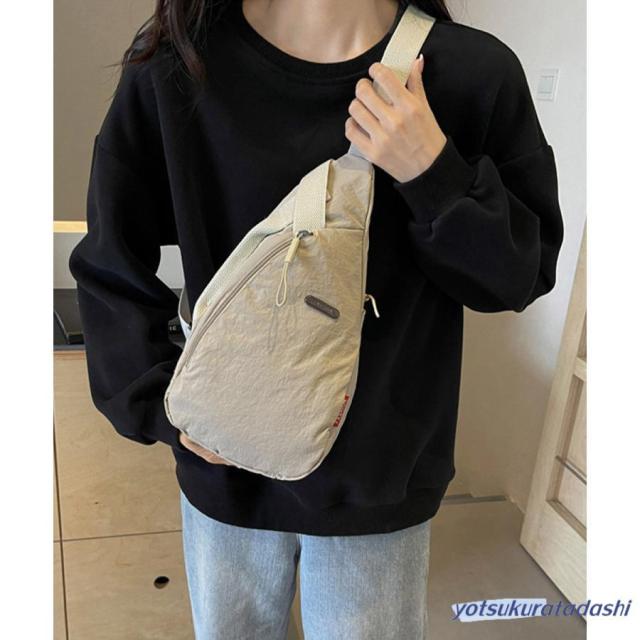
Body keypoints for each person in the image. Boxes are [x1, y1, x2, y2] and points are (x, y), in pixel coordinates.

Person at [68, 0, 564, 637]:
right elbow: (112, 256)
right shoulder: (180, 63)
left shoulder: (471, 73)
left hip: (378, 483)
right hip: (226, 464)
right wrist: (156, 399)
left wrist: (433, 173)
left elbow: (522, 274)